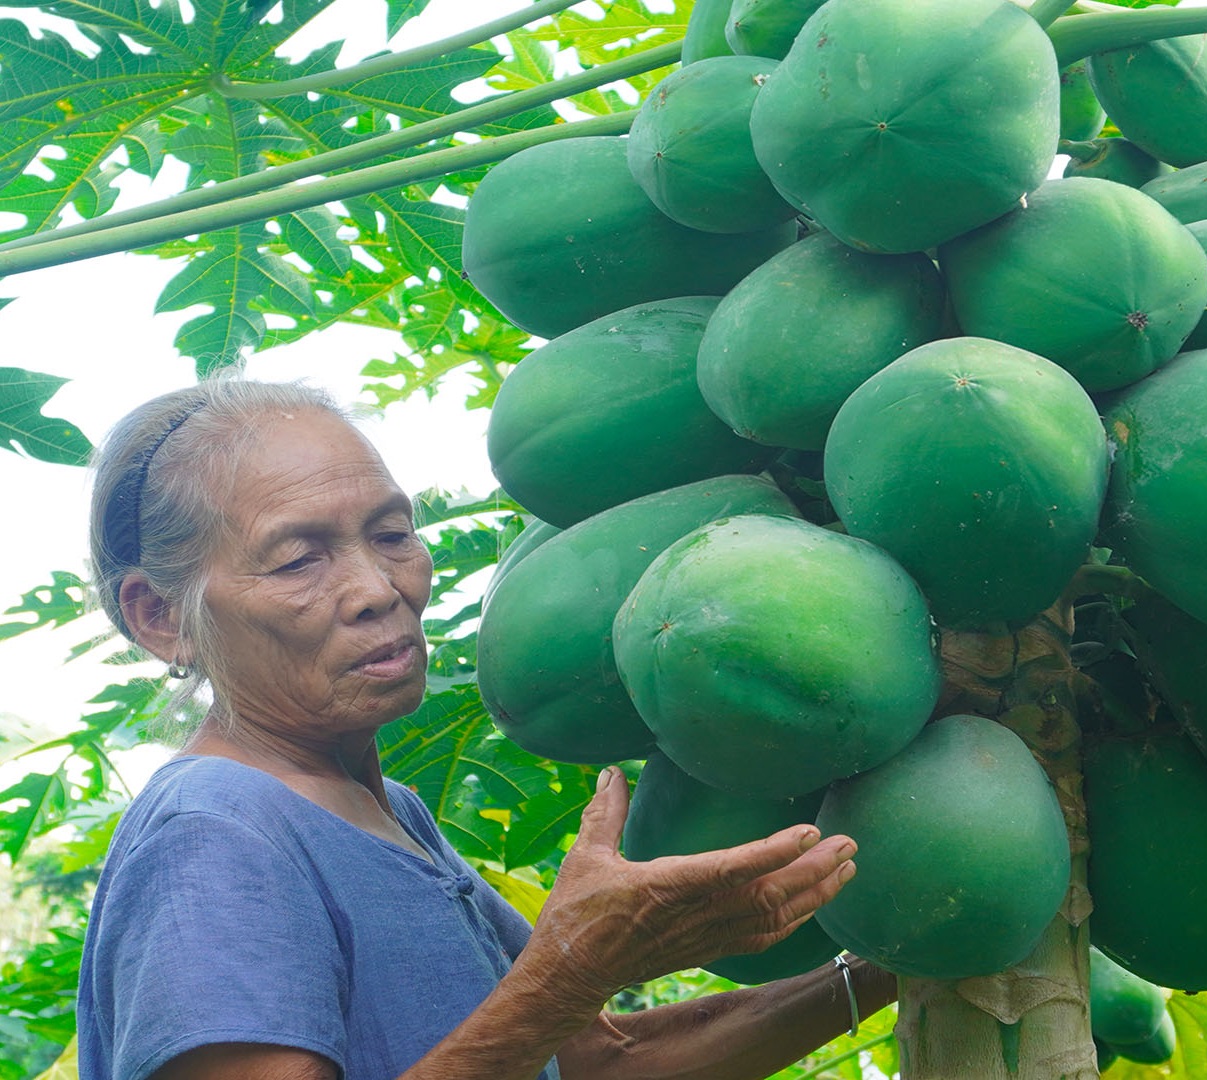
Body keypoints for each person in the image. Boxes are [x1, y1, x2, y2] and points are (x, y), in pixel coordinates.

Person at [77, 379, 896, 1080]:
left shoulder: (388, 812)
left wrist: (891, 965)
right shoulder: (215, 832)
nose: (377, 588)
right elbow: (549, 1013)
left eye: (392, 535)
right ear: (159, 618)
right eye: (298, 560)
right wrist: (568, 973)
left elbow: (602, 1064)